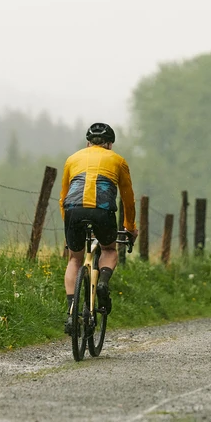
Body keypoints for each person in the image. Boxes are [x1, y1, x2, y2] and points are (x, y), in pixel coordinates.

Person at [59, 122, 138, 334]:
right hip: (102, 212)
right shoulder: (118, 161)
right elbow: (128, 200)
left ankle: (71, 313)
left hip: (73, 211)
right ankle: (102, 281)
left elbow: (62, 197)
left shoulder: (72, 159)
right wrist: (130, 227)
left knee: (75, 259)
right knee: (109, 250)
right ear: (110, 145)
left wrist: (68, 226)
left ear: (87, 143)